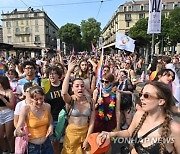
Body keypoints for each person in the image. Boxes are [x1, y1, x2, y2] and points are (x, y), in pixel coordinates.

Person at [98, 81, 180, 154]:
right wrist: (110, 134)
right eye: (141, 94)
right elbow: (129, 132)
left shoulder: (175, 129)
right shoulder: (139, 115)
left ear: (161, 101)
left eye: (146, 96)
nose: (141, 98)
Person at [61, 61, 95, 154]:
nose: (80, 88)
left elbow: (92, 121)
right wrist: (68, 72)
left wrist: (87, 138)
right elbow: (63, 93)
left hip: (85, 133)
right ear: (72, 88)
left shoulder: (90, 101)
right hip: (71, 135)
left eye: (82, 86)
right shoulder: (71, 100)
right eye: (77, 86)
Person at [14, 86, 54, 154]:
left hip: (46, 144)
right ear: (31, 98)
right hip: (33, 147)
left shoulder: (47, 106)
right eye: (36, 99)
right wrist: (18, 132)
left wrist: (51, 127)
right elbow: (18, 128)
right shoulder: (26, 109)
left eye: (41, 98)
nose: (39, 101)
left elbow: (50, 120)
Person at [0, 76, 16, 154]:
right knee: (0, 136)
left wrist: (3, 98)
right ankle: (4, 151)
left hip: (8, 113)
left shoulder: (9, 92)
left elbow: (12, 106)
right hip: (0, 114)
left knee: (9, 135)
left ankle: (12, 151)